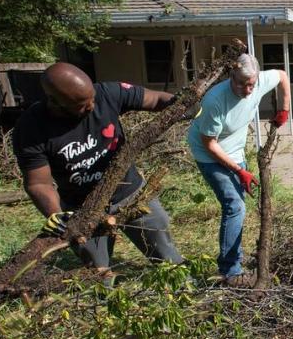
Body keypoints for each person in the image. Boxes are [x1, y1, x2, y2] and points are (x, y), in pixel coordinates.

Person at [12, 63, 184, 277]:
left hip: (131, 194)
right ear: (56, 102)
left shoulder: (107, 93)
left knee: (169, 260)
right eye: (83, 104)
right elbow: (39, 183)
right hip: (82, 208)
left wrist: (184, 104)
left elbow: (156, 99)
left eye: (92, 98)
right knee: (98, 274)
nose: (92, 106)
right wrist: (56, 214)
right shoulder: (31, 128)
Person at [187, 47, 290, 286]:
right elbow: (209, 144)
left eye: (252, 85)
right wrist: (239, 170)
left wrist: (284, 109)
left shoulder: (258, 82)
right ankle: (229, 271)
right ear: (231, 77)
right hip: (209, 154)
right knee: (234, 206)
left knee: (239, 205)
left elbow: (283, 76)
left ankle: (235, 261)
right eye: (242, 84)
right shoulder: (215, 100)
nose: (248, 90)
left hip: (235, 150)